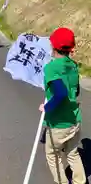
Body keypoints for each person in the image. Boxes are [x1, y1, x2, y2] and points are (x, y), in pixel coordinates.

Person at [39, 27, 86, 184]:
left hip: (59, 123)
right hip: (74, 118)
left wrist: (46, 108)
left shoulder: (52, 67)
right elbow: (76, 90)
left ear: (53, 46)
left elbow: (60, 93)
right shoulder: (73, 65)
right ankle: (80, 181)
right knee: (72, 153)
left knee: (53, 155)